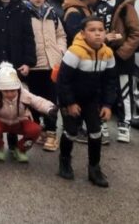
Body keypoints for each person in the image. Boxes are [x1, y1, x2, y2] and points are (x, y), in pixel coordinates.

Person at [57, 16, 118, 187]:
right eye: (92, 30)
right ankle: (64, 161)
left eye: (101, 30)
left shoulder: (108, 53)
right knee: (70, 131)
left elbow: (110, 81)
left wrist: (107, 104)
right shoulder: (75, 52)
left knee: (95, 132)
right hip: (72, 99)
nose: (97, 34)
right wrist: (69, 103)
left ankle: (94, 168)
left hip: (93, 101)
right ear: (83, 34)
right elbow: (63, 80)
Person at [93, 0, 139, 144]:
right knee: (100, 90)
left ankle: (124, 124)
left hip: (122, 58)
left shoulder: (126, 7)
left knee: (124, 92)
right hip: (101, 56)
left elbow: (136, 34)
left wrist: (122, 53)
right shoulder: (97, 5)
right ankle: (102, 125)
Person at [0, 62, 56, 163]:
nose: (10, 93)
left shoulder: (23, 94)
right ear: (0, 89)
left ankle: (20, 149)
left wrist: (50, 108)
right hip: (0, 121)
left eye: (13, 90)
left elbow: (37, 101)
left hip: (19, 121)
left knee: (36, 129)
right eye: (6, 91)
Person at [24, 0, 66, 151]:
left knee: (50, 100)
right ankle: (38, 129)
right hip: (34, 64)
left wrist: (61, 50)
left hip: (51, 64)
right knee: (33, 100)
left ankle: (51, 133)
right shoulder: (24, 13)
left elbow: (61, 34)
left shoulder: (52, 13)